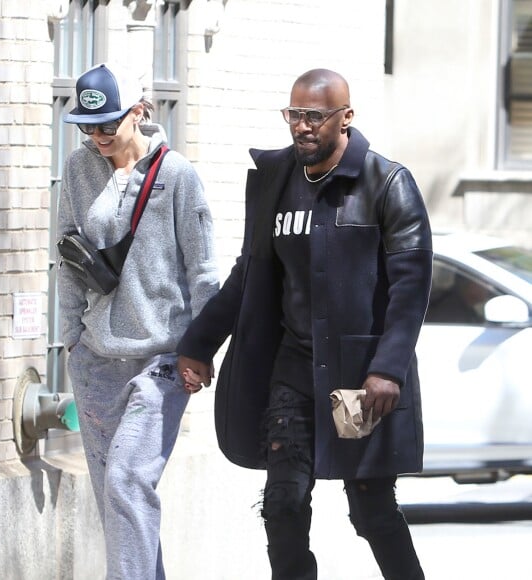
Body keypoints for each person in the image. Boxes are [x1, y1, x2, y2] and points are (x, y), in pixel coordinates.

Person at [178, 69, 432, 580]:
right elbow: (249, 273)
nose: (302, 127)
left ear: (346, 117)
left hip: (359, 378)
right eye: (295, 115)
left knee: (371, 510)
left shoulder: (386, 183)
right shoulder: (276, 182)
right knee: (283, 503)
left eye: (315, 116)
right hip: (293, 371)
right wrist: (199, 343)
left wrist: (388, 369)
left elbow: (412, 287)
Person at [57, 62, 219, 579]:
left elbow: (204, 271)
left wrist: (203, 348)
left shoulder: (177, 176)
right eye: (88, 125)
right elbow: (66, 258)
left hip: (161, 362)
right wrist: (70, 343)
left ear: (140, 111)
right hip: (96, 361)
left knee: (128, 483)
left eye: (108, 123)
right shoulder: (79, 171)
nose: (98, 136)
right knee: (117, 504)